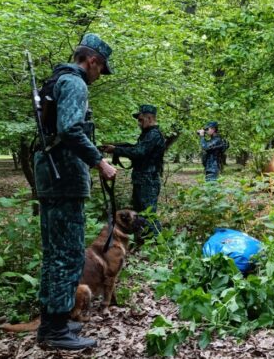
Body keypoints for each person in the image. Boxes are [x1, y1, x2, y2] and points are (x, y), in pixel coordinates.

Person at [33, 33, 117, 349]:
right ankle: (55, 331)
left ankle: (52, 324)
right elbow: (70, 129)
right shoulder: (75, 84)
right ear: (92, 61)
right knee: (67, 255)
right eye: (101, 69)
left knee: (56, 254)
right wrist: (99, 162)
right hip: (64, 179)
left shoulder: (57, 82)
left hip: (52, 179)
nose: (99, 76)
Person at [101, 104, 166, 234]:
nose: (139, 123)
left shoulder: (154, 135)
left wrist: (116, 150)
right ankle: (143, 243)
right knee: (140, 214)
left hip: (148, 181)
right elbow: (137, 149)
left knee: (148, 215)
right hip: (141, 180)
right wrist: (118, 148)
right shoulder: (147, 135)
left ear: (149, 118)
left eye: (141, 119)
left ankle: (159, 245)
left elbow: (139, 152)